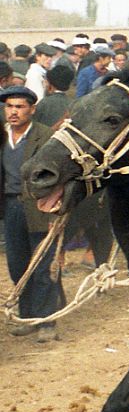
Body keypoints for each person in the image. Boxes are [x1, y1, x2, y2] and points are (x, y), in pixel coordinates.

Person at [1, 86, 63, 341]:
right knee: (18, 265)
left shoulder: (45, 136)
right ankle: (27, 316)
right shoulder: (3, 136)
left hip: (41, 208)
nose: (13, 112)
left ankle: (46, 322)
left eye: (19, 107)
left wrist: (54, 214)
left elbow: (58, 178)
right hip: (11, 207)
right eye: (9, 107)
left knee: (43, 266)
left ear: (32, 109)